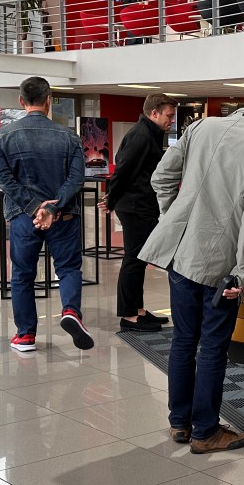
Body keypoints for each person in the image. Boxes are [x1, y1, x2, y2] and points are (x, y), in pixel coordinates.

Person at [140, 88, 244, 454]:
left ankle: (180, 423)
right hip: (220, 264)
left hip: (181, 253)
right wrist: (243, 272)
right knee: (211, 347)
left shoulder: (201, 127)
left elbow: (161, 178)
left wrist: (174, 218)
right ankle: (206, 432)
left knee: (183, 340)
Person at [0, 76, 95, 354]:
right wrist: (52, 208)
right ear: (49, 100)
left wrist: (34, 207)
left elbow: (4, 179)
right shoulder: (70, 137)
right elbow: (76, 179)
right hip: (64, 216)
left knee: (22, 275)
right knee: (68, 268)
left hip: (24, 217)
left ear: (21, 101)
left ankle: (25, 336)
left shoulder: (3, 136)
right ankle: (71, 311)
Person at [104, 91, 178, 332]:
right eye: (169, 116)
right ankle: (129, 316)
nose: (171, 121)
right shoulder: (141, 135)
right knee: (134, 260)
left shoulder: (150, 133)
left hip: (142, 205)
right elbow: (123, 170)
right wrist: (111, 199)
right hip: (135, 207)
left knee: (140, 259)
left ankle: (138, 310)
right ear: (154, 113)